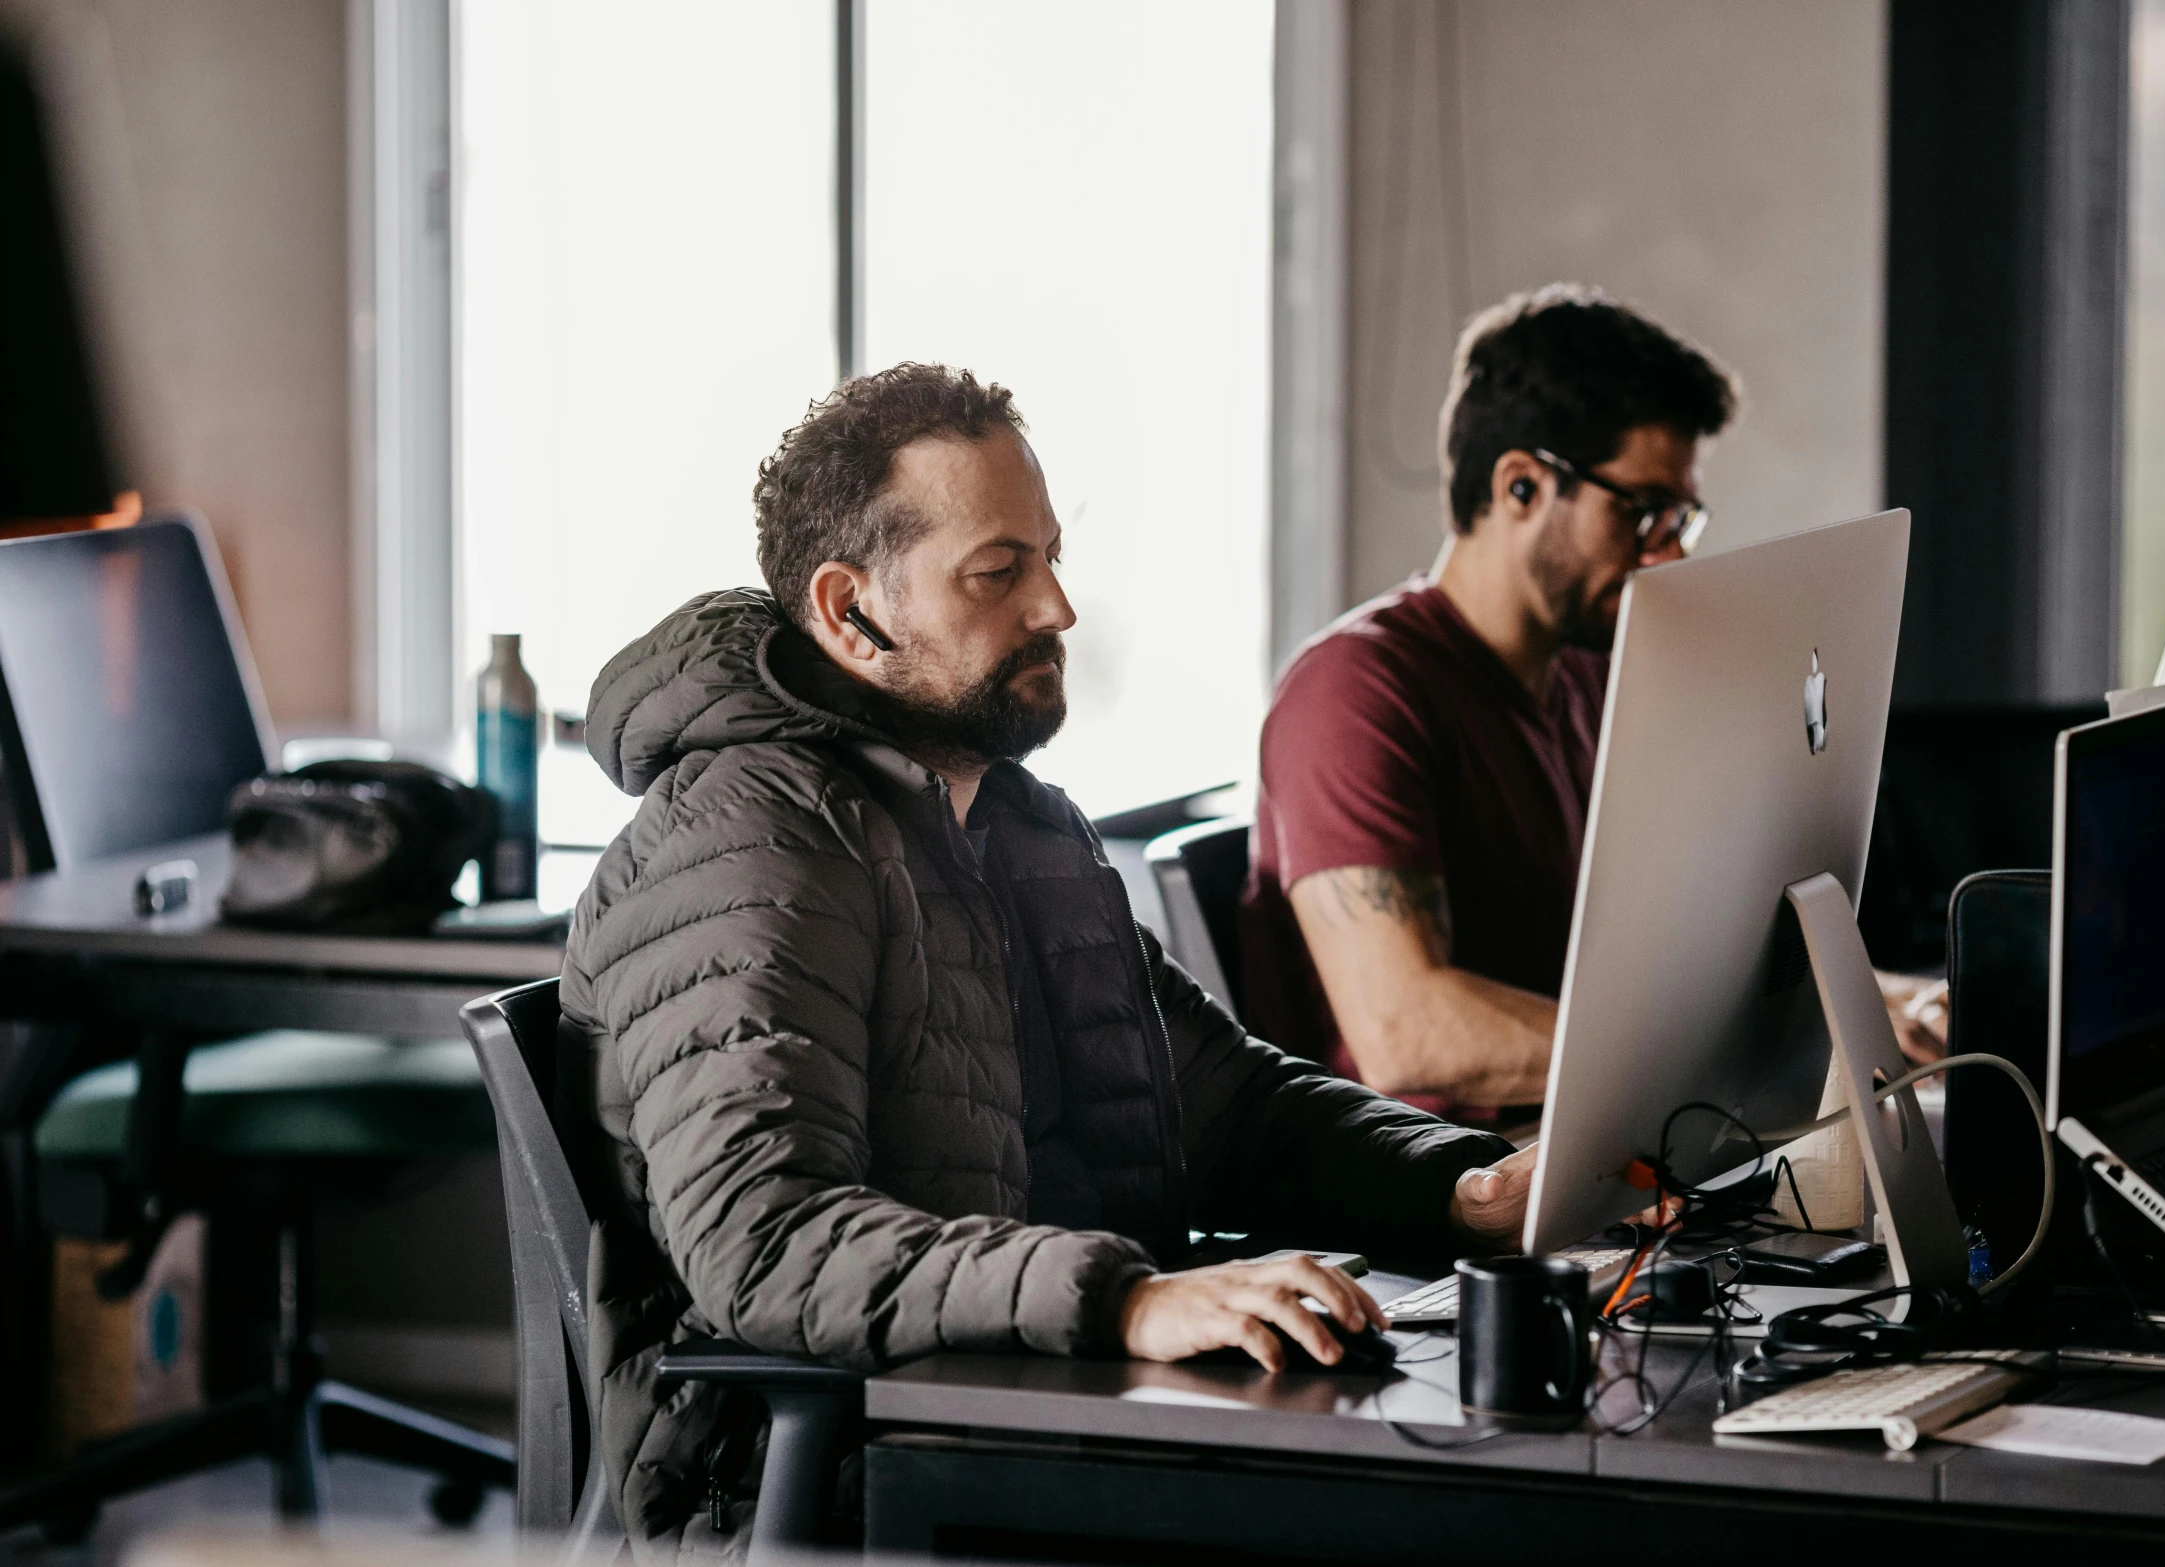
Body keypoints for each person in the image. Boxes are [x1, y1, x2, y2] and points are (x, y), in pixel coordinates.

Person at [559, 363, 1535, 1556]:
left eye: (1050, 557)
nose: (1057, 607)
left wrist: (1459, 1181)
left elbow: (1220, 1106)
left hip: (1035, 1417)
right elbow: (765, 1239)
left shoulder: (1018, 821)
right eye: (998, 570)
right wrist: (1123, 1300)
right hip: (842, 1478)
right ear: (849, 608)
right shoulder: (750, 838)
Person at [1240, 285, 1942, 1132]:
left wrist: (1879, 997)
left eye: (1683, 515)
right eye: (1643, 510)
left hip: (1594, 1144)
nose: (1671, 549)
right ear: (1522, 485)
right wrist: (1775, 1043)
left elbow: (1682, 953)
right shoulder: (1356, 692)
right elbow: (1406, 1033)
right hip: (1444, 1193)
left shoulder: (1588, 675)